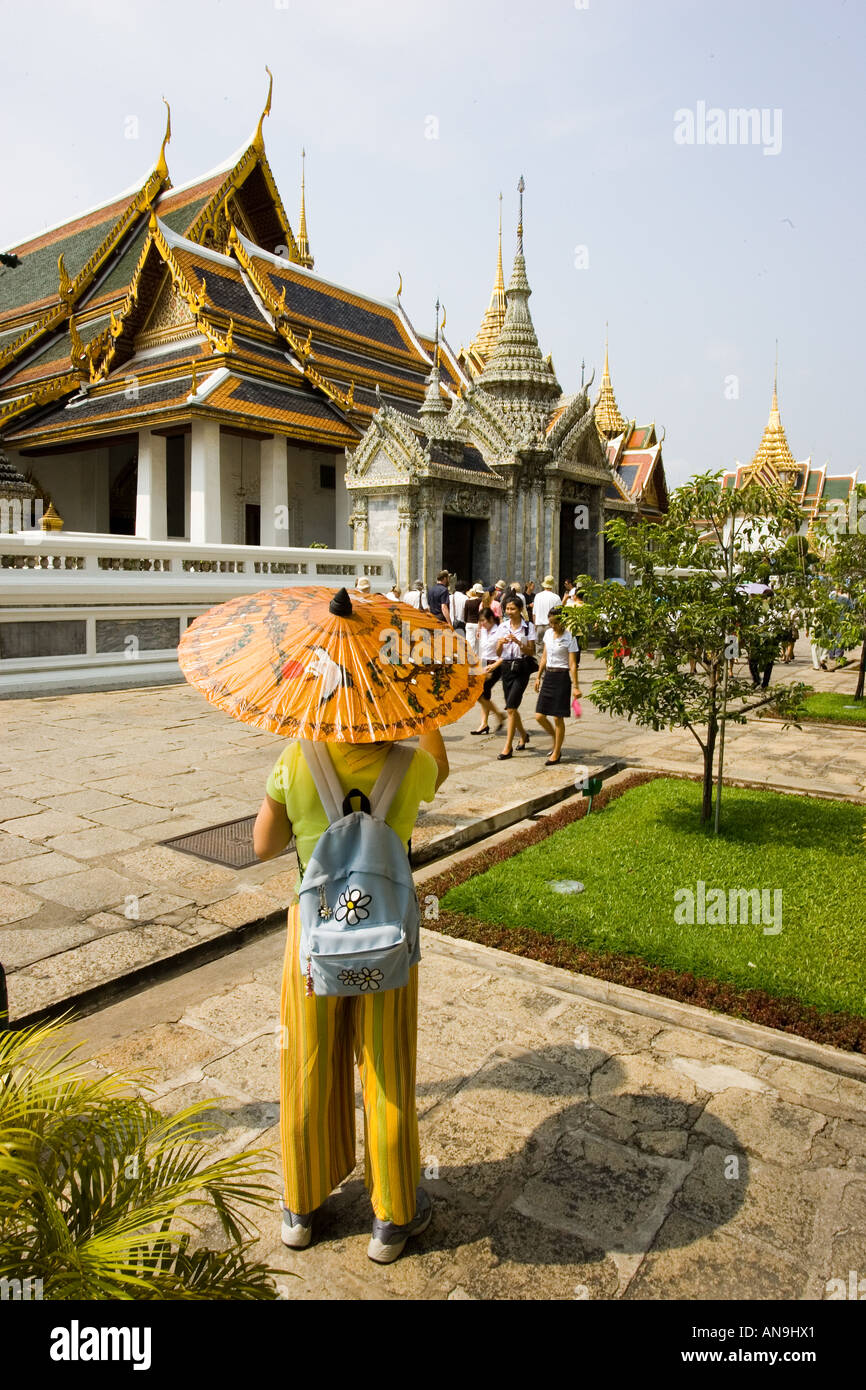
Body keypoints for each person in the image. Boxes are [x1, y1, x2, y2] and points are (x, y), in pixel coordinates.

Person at [254, 724, 450, 1264]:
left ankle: (301, 1205)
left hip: (313, 937)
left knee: (306, 1062)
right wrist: (427, 716)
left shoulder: (295, 758)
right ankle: (391, 1216)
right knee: (388, 1068)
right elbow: (441, 770)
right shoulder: (411, 766)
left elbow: (264, 844)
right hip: (386, 933)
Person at [534, 607, 581, 765]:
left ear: (563, 621)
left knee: (557, 717)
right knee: (539, 715)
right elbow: (544, 657)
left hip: (562, 677)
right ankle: (555, 738)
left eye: (555, 622)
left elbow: (572, 664)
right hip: (548, 676)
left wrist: (576, 686)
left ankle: (557, 752)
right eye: (550, 622)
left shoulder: (570, 637)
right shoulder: (548, 634)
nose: (552, 626)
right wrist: (538, 676)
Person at [494, 598, 537, 758]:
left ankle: (507, 747)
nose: (509, 612)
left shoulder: (528, 628)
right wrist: (500, 643)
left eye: (513, 609)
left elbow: (531, 651)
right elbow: (498, 653)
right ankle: (524, 735)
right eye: (507, 609)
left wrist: (519, 643)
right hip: (506, 668)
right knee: (512, 707)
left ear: (520, 610)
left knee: (511, 708)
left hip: (522, 668)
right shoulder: (503, 627)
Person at [471, 607, 505, 734]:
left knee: (480, 694)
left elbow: (504, 653)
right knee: (484, 694)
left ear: (491, 619)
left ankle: (498, 716)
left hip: (495, 665)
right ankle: (485, 723)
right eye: (480, 621)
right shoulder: (483, 630)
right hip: (483, 664)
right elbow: (482, 649)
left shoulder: (499, 631)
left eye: (483, 620)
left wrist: (494, 666)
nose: (481, 623)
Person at [532, 575, 561, 653]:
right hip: (551, 625)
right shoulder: (556, 597)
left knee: (539, 648)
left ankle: (540, 664)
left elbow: (534, 613)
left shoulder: (537, 596)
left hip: (539, 625)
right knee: (551, 647)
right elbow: (559, 613)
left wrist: (535, 625)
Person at [463, 582, 485, 653]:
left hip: (469, 623)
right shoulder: (481, 601)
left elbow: (465, 614)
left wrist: (466, 622)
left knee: (470, 643)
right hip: (478, 624)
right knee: (478, 645)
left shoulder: (467, 601)